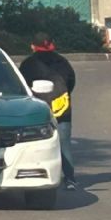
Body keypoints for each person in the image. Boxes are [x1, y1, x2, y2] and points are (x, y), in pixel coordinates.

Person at [19, 32, 78, 190]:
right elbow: (71, 82)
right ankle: (70, 179)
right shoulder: (62, 62)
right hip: (61, 108)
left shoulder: (28, 64)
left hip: (36, 111)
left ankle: (34, 175)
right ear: (52, 44)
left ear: (32, 46)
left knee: (34, 143)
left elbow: (21, 86)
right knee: (64, 144)